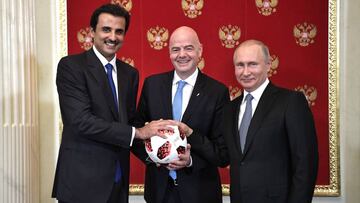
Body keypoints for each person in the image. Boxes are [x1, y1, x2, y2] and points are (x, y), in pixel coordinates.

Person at [52, 4, 172, 203]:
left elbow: (129, 122)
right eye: (106, 29)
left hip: (118, 183)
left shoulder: (129, 74)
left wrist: (159, 155)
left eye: (119, 31)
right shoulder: (71, 67)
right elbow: (80, 121)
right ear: (92, 32)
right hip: (81, 185)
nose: (113, 37)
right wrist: (139, 132)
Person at [132, 26, 229, 203]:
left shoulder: (217, 92)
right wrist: (155, 157)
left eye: (188, 48)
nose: (182, 54)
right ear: (169, 53)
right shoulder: (152, 85)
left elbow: (222, 153)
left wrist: (190, 160)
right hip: (159, 192)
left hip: (200, 193)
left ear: (200, 51)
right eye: (175, 49)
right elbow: (136, 132)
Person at [222, 39, 319, 202]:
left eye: (252, 64)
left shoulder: (291, 102)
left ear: (268, 65)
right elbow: (224, 155)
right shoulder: (229, 109)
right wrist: (190, 135)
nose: (245, 72)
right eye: (240, 65)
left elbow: (306, 163)